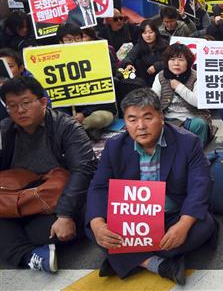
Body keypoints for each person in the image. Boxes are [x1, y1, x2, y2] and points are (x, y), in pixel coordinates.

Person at [85, 89, 216, 284]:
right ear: (125, 122)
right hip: (131, 219)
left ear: (161, 116)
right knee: (91, 225)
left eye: (148, 117)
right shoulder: (115, 146)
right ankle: (156, 263)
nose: (141, 126)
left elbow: (200, 185)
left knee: (203, 227)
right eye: (132, 120)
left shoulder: (188, 142)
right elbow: (99, 186)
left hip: (172, 215)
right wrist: (97, 224)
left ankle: (123, 257)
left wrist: (183, 224)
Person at [0, 76, 97, 273]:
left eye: (26, 103)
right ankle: (31, 257)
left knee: (40, 233)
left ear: (43, 102)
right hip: (20, 198)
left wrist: (65, 215)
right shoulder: (4, 130)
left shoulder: (67, 127)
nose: (20, 110)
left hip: (61, 199)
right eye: (12, 105)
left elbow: (83, 170)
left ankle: (23, 248)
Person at [151, 44, 214, 146]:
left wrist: (179, 87)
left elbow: (199, 102)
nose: (176, 63)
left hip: (192, 118)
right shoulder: (161, 76)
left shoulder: (196, 76)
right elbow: (154, 99)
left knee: (200, 124)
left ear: (188, 62)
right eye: (172, 59)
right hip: (168, 118)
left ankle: (196, 156)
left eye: (181, 60)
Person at [121, 20, 169, 87]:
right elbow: (129, 57)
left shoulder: (165, 44)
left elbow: (170, 61)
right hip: (146, 79)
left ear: (156, 32)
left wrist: (156, 66)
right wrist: (128, 64)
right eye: (144, 33)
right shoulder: (139, 45)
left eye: (150, 32)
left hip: (163, 77)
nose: (148, 35)